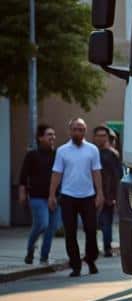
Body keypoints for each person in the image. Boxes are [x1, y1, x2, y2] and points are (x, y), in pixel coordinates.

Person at [48, 118, 104, 278]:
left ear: (85, 131)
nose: (78, 132)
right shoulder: (62, 151)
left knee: (91, 230)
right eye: (75, 129)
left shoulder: (92, 150)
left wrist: (99, 192)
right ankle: (76, 265)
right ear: (70, 131)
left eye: (81, 129)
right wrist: (52, 194)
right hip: (68, 196)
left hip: (88, 196)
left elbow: (96, 171)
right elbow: (56, 173)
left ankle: (91, 259)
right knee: (70, 232)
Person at [17, 124, 59, 265]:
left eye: (53, 134)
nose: (52, 137)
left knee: (51, 229)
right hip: (37, 197)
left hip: (55, 197)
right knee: (42, 224)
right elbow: (23, 176)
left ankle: (44, 257)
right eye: (49, 135)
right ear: (40, 138)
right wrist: (22, 193)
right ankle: (30, 249)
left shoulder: (58, 155)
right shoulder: (32, 155)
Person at [92, 125, 123, 258]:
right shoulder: (91, 152)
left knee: (106, 223)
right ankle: (93, 248)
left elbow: (117, 176)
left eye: (103, 136)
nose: (101, 138)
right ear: (94, 137)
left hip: (107, 194)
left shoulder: (112, 155)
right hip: (89, 193)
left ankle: (107, 248)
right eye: (98, 135)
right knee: (92, 223)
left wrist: (114, 195)